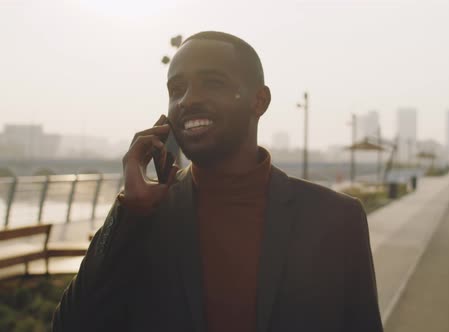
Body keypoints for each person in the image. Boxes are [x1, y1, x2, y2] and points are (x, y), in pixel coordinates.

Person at [52, 31, 382, 332]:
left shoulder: (336, 219)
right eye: (176, 89)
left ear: (260, 101)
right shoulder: (145, 219)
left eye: (212, 83)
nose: (188, 100)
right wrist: (129, 211)